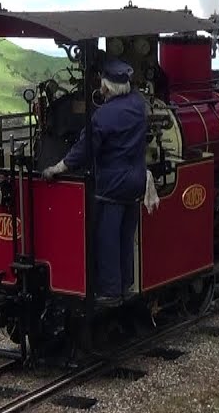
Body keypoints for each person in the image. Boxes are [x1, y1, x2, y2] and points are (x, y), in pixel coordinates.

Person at [42, 58, 148, 306]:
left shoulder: (103, 117)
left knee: (107, 236)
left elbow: (83, 151)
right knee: (126, 233)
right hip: (136, 180)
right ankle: (125, 284)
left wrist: (57, 168)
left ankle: (110, 291)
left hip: (112, 184)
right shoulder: (137, 104)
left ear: (107, 87)